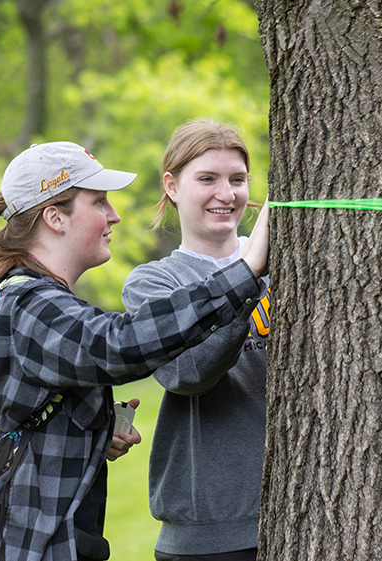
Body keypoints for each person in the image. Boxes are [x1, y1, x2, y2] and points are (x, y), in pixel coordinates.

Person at [0, 141, 270, 561]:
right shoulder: (30, 306)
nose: (114, 215)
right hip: (23, 546)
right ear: (55, 217)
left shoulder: (10, 298)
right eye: (99, 203)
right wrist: (244, 273)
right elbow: (120, 344)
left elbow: (9, 421)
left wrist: (94, 430)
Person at [121, 120, 270, 561]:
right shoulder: (154, 282)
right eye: (207, 179)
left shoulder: (290, 261)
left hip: (307, 513)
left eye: (237, 179)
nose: (226, 195)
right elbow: (186, 374)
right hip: (211, 537)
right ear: (171, 186)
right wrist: (248, 274)